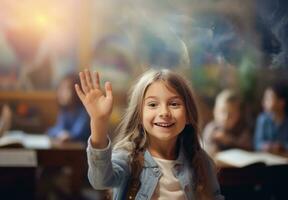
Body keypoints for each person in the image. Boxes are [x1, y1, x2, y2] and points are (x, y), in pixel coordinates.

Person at [75, 68, 224, 200]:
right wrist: (98, 122)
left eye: (174, 104)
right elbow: (100, 180)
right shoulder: (128, 156)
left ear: (188, 115)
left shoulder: (201, 161)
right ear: (139, 115)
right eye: (153, 104)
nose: (164, 113)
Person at [203, 89, 252, 156]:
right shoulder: (211, 129)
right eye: (222, 111)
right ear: (214, 111)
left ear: (239, 114)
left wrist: (231, 141)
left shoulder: (242, 129)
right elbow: (205, 148)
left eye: (231, 114)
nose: (226, 117)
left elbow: (248, 148)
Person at [254, 83, 288, 152]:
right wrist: (265, 146)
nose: (264, 102)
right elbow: (257, 143)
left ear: (281, 102)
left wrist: (282, 146)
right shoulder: (262, 119)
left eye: (268, 99)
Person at [47, 73, 90, 143]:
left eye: (66, 89)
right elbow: (54, 130)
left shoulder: (84, 111)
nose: (61, 93)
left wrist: (67, 135)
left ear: (77, 91)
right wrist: (59, 133)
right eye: (60, 89)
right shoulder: (65, 111)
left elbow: (77, 133)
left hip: (83, 152)